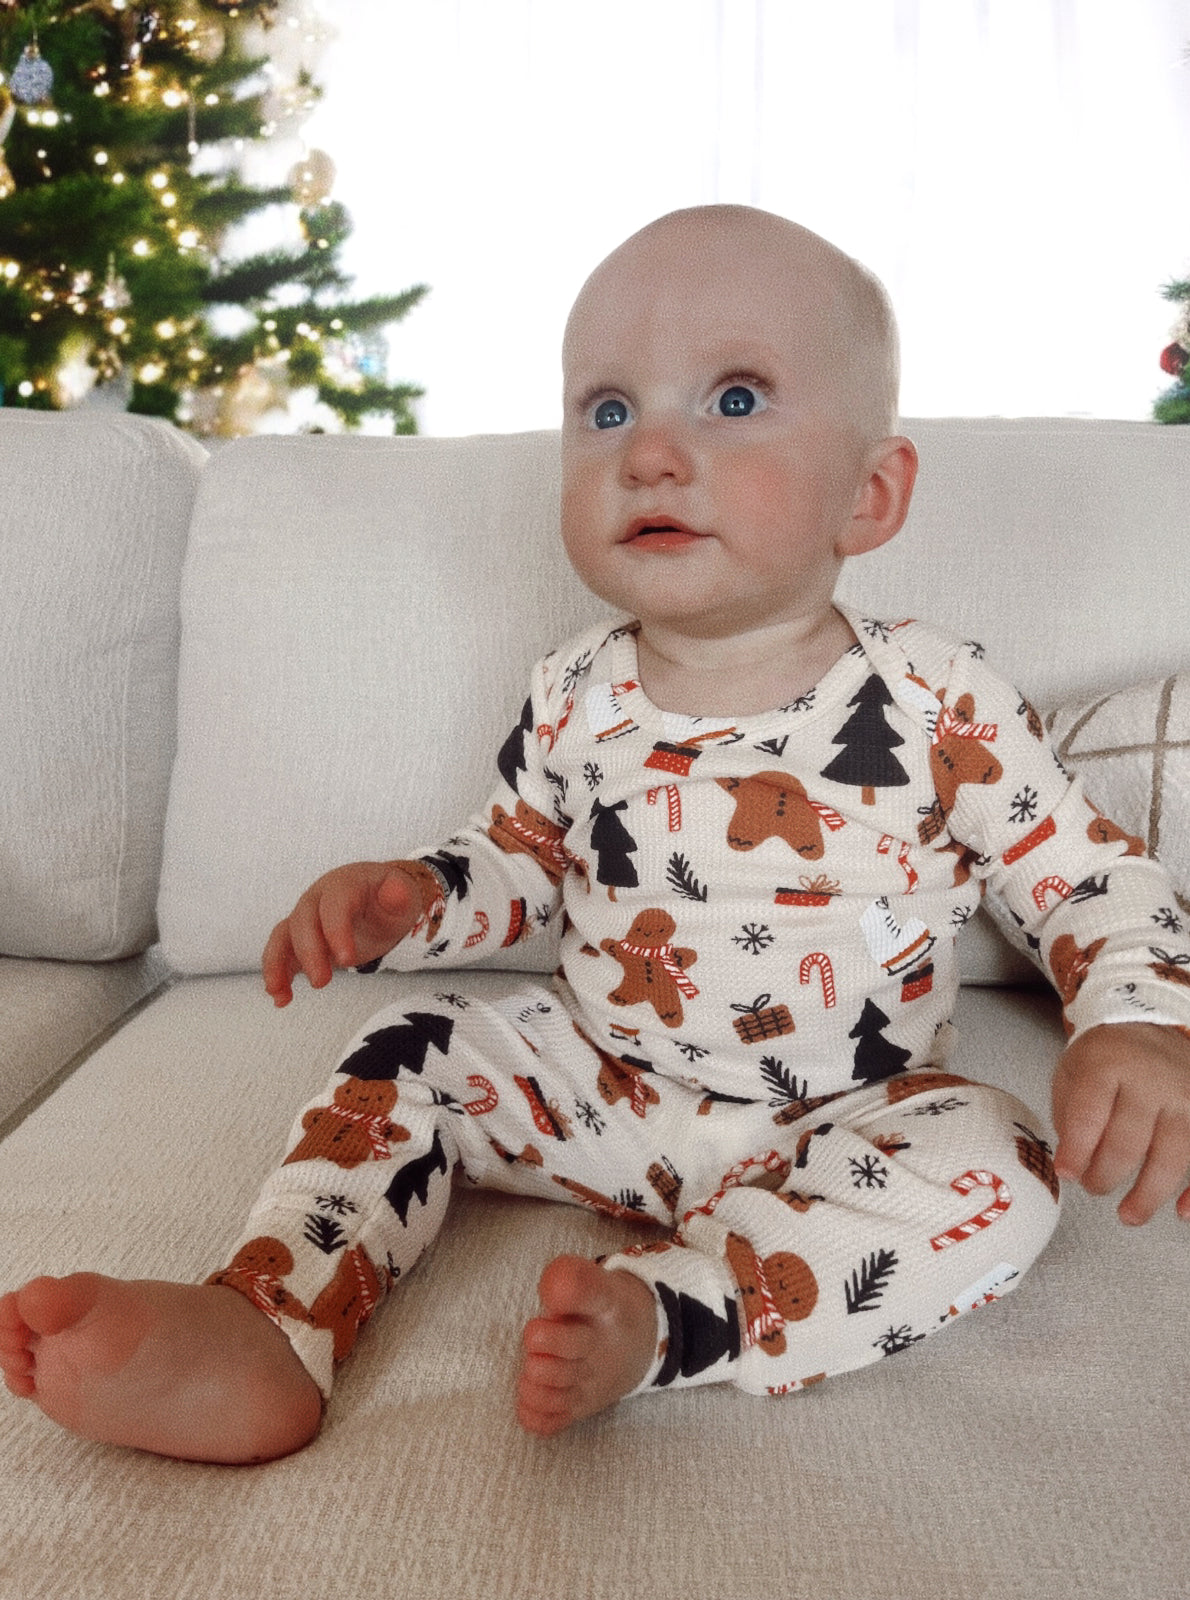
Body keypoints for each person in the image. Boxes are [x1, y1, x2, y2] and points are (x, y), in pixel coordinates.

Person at [4, 205, 1190, 1466]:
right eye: (608, 411)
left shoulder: (932, 693)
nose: (652, 455)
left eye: (734, 399)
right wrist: (415, 897)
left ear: (870, 493)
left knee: (1000, 1163)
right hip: (602, 1088)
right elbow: (522, 861)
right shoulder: (576, 689)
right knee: (412, 1041)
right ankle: (271, 1316)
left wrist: (1134, 1019)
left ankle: (680, 1314)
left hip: (843, 1115)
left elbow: (1084, 879)